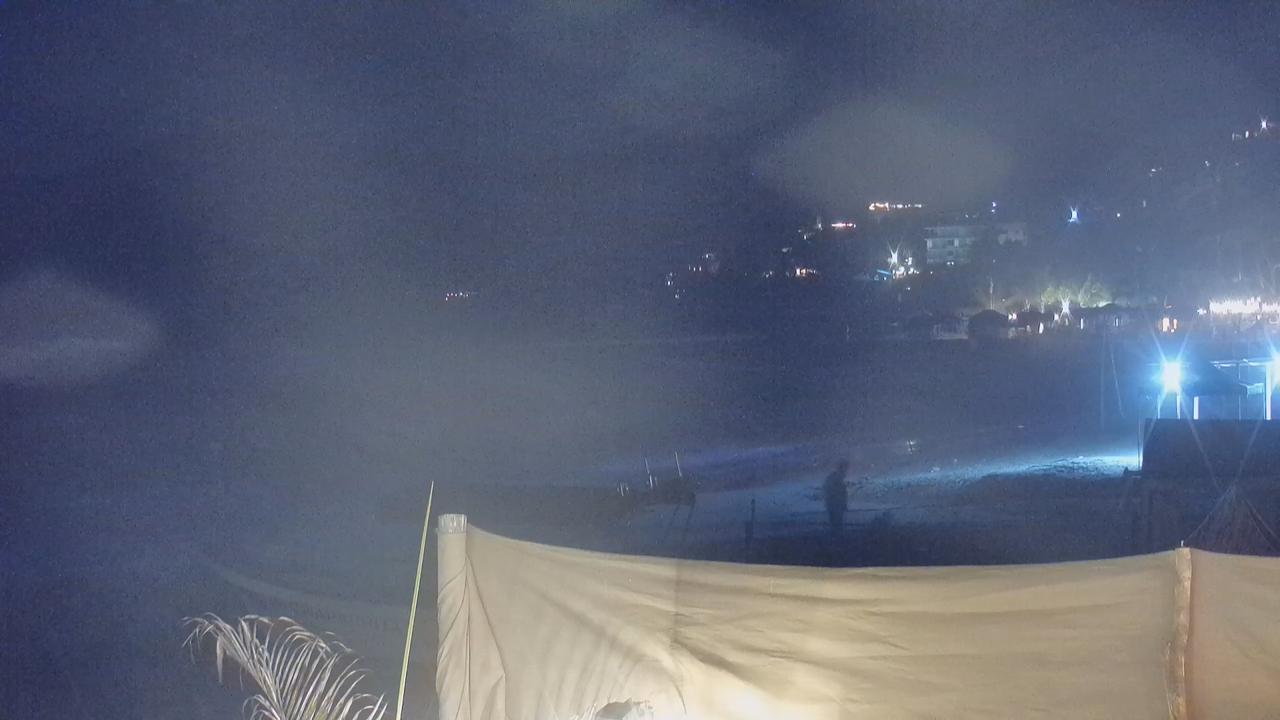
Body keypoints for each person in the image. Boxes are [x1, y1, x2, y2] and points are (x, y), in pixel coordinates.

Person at [823, 460, 850, 537]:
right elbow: (840, 494)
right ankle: (836, 537)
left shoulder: (833, 478)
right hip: (835, 505)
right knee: (837, 523)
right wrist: (843, 504)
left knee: (835, 524)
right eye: (845, 468)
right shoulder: (836, 479)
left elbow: (829, 492)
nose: (846, 472)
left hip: (833, 505)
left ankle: (835, 537)